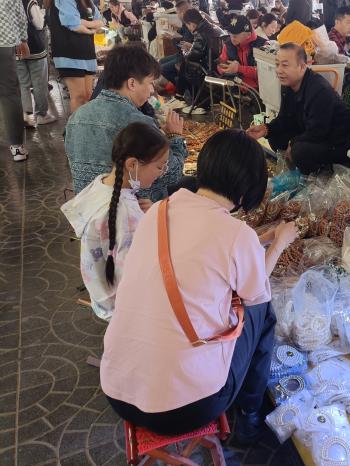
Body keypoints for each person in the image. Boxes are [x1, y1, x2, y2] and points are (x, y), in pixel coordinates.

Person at [101, 129, 299, 442]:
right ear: (247, 188)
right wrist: (279, 244)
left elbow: (204, 252)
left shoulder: (157, 212)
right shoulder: (237, 235)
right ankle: (250, 414)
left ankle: (248, 412)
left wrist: (260, 240)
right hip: (186, 409)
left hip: (117, 391)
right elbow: (256, 294)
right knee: (263, 314)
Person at [61, 123, 169, 320]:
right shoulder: (125, 214)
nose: (162, 172)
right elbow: (136, 275)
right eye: (160, 166)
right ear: (132, 164)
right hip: (122, 306)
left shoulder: (102, 183)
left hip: (99, 289)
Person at [65, 44, 187, 198]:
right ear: (132, 83)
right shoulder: (139, 124)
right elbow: (172, 174)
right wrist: (175, 137)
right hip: (132, 207)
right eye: (150, 83)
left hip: (89, 205)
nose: (152, 90)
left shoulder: (76, 117)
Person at [246, 43, 350, 174]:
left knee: (299, 151)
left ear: (302, 67)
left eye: (285, 65)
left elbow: (318, 131)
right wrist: (266, 129)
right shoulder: (288, 85)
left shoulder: (319, 90)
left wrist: (293, 143)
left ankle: (320, 176)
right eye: (277, 64)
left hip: (340, 143)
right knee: (275, 136)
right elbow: (284, 118)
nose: (279, 70)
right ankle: (296, 170)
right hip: (314, 133)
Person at [46, 0, 105, 112]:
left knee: (88, 95)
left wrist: (84, 23)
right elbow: (73, 25)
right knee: (79, 96)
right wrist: (91, 28)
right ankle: (76, 124)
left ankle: (84, 122)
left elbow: (101, 22)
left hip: (87, 53)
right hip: (69, 54)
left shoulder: (88, 2)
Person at [16, 0, 56, 128]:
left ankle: (26, 116)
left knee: (22, 84)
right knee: (39, 83)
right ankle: (41, 115)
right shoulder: (30, 3)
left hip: (16, 50)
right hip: (35, 48)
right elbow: (39, 24)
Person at [178, 8, 225, 114]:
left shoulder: (200, 32)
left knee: (185, 63)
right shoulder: (215, 28)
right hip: (220, 66)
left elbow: (192, 56)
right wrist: (192, 47)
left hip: (209, 70)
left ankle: (197, 103)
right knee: (186, 63)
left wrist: (185, 51)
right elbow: (203, 49)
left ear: (192, 24)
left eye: (187, 25)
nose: (188, 28)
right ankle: (180, 95)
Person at [1, 0, 30, 161]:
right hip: (3, 42)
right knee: (9, 94)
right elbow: (19, 14)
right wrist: (23, 40)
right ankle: (17, 148)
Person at [218, 15, 266, 90]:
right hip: (234, 89)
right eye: (230, 33)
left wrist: (239, 68)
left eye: (236, 34)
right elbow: (220, 64)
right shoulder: (227, 45)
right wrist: (224, 68)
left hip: (259, 91)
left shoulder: (263, 46)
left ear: (248, 35)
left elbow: (264, 73)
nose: (232, 37)